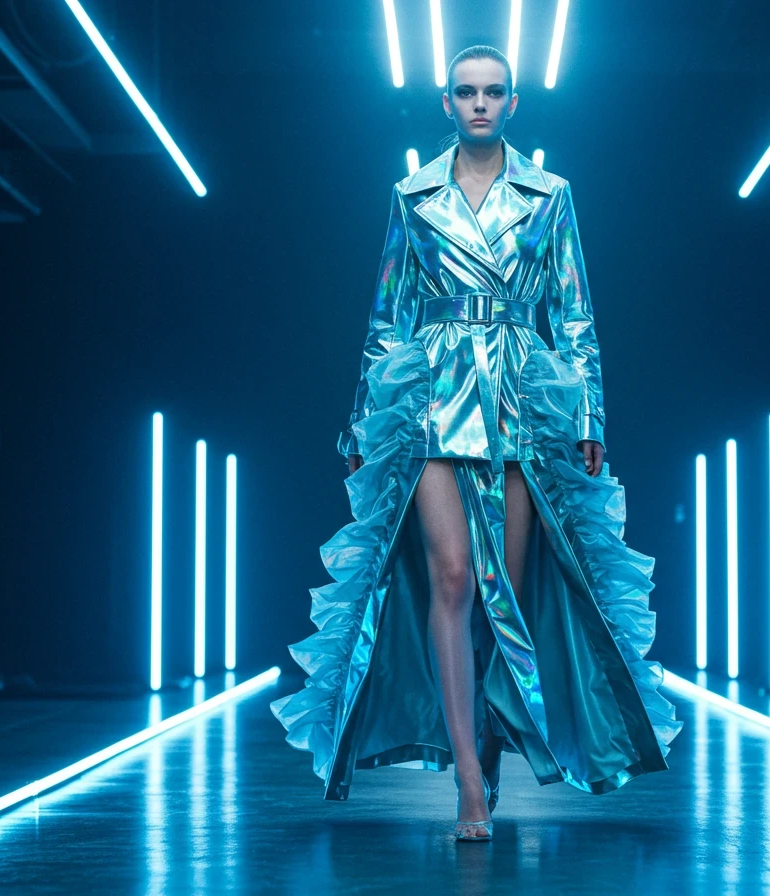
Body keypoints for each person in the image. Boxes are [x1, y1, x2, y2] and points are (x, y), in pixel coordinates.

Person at [269, 45, 682, 842]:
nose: (481, 103)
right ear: (448, 103)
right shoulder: (412, 195)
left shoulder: (551, 194)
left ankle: (487, 742)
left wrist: (590, 416)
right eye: (467, 92)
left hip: (522, 394)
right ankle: (466, 778)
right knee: (453, 577)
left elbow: (575, 313)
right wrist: (361, 419)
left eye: (494, 92)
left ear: (513, 103)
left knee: (507, 598)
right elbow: (387, 315)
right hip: (432, 391)